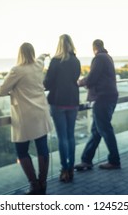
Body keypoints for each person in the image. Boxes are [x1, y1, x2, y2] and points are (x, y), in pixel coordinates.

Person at [0, 42, 52, 195]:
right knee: (42, 148)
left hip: (25, 117)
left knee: (21, 151)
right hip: (40, 113)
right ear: (32, 53)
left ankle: (34, 184)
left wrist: (14, 89)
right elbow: (41, 58)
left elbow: (3, 90)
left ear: (20, 54)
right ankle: (43, 182)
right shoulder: (38, 66)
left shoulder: (17, 70)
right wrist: (44, 54)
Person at [74, 39, 121, 170]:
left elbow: (92, 77)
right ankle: (86, 160)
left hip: (103, 98)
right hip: (110, 97)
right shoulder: (108, 57)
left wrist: (79, 82)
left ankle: (115, 161)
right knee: (96, 131)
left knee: (105, 130)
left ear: (94, 47)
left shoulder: (99, 58)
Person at [43, 34, 81, 183]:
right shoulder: (76, 61)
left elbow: (47, 83)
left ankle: (64, 169)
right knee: (71, 136)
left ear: (59, 45)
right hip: (73, 101)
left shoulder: (55, 61)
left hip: (58, 101)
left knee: (62, 137)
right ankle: (71, 168)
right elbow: (75, 78)